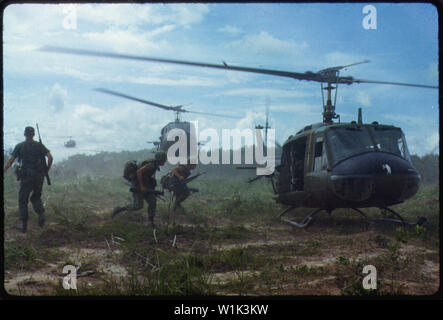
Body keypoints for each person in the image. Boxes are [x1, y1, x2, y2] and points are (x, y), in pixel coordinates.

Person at [3, 126, 53, 233]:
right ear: (33, 135)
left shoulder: (20, 146)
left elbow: (10, 161)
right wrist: (46, 171)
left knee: (23, 200)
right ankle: (41, 214)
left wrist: (4, 169)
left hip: (26, 177)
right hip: (39, 177)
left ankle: (24, 226)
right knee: (35, 197)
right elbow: (50, 157)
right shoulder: (39, 146)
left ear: (25, 134)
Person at [112, 151, 167, 228]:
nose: (165, 161)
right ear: (160, 159)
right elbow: (139, 172)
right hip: (138, 184)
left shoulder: (154, 164)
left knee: (152, 201)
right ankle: (119, 209)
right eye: (164, 160)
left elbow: (146, 176)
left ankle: (150, 222)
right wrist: (141, 186)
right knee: (138, 205)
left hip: (144, 184)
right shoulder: (151, 165)